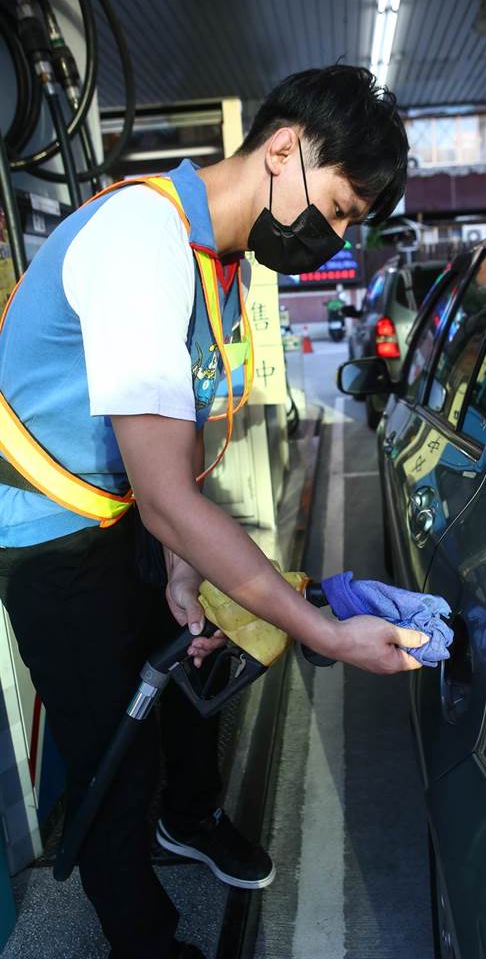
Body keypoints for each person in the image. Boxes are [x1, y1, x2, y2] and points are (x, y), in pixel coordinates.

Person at [0, 65, 421, 959]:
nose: (335, 235)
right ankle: (148, 940)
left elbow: (178, 439)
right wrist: (323, 632)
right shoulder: (143, 238)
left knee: (195, 661)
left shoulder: (216, 262)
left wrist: (186, 563)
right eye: (340, 207)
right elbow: (166, 493)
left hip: (121, 512)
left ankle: (187, 819)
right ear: (282, 150)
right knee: (111, 747)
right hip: (43, 536)